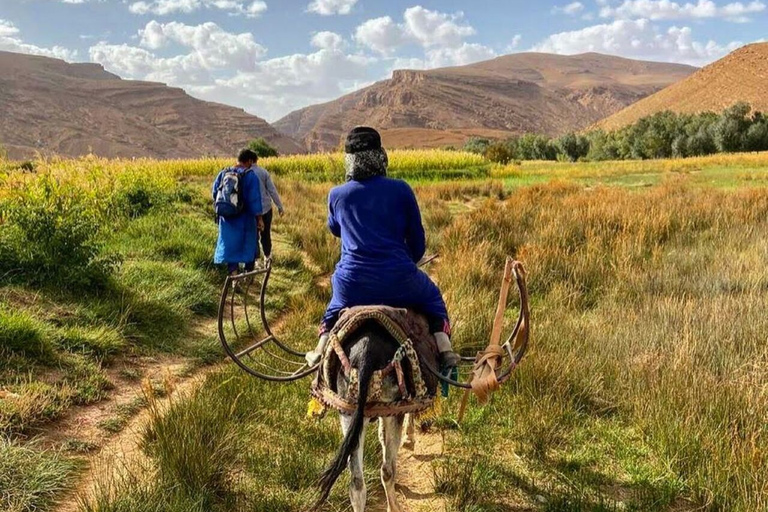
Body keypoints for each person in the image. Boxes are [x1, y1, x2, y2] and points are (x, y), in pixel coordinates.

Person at [305, 127, 460, 369]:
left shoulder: (336, 195)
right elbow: (418, 243)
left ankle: (320, 348)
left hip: (352, 285)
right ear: (380, 156)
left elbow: (335, 229)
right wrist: (407, 260)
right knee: (433, 298)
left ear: (349, 161)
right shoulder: (401, 189)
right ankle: (445, 349)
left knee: (333, 308)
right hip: (399, 281)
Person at [212, 149, 264, 275]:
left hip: (227, 219)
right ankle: (247, 273)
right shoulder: (251, 176)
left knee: (230, 246)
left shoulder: (223, 173)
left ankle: (233, 274)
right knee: (248, 244)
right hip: (245, 218)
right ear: (249, 161)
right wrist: (260, 219)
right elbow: (255, 200)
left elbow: (215, 193)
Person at [249, 156, 284, 262]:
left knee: (253, 234)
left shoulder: (246, 172)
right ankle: (267, 257)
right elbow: (272, 190)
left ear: (249, 160)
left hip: (252, 210)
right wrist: (279, 206)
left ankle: (256, 259)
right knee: (266, 233)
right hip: (266, 208)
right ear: (256, 160)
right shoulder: (263, 172)